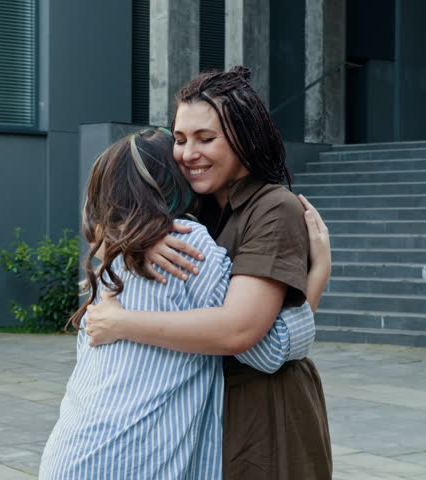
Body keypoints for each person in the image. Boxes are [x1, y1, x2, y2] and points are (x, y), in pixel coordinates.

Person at [84, 67, 333, 479]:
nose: (187, 153)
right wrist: (142, 239)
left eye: (206, 138)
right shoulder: (198, 204)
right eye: (180, 139)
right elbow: (102, 224)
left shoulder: (273, 208)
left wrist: (122, 323)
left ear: (244, 139)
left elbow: (240, 331)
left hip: (262, 407)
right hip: (198, 406)